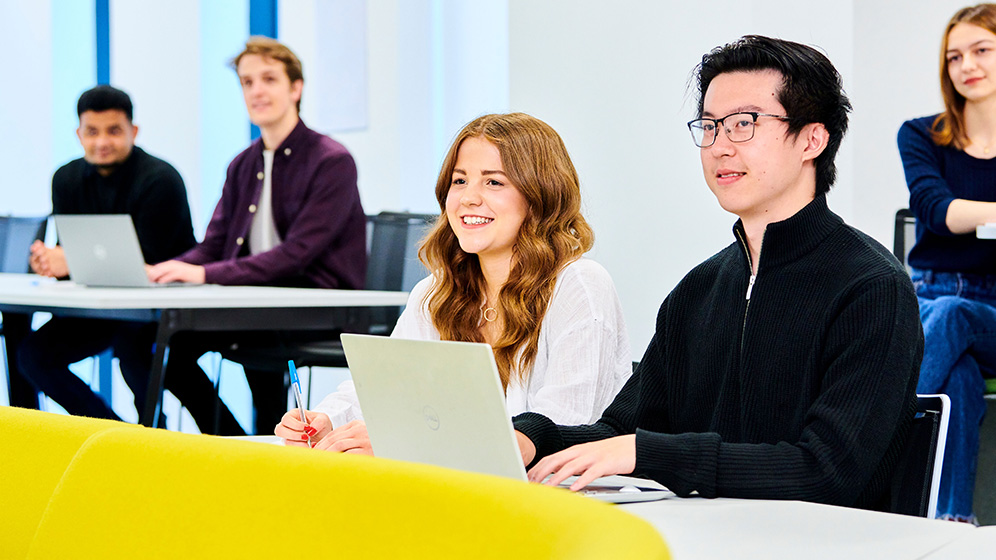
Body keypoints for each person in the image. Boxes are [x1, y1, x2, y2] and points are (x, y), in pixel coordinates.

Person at [516, 35, 923, 512]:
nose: (719, 146)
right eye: (709, 126)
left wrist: (649, 452)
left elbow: (827, 472)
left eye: (744, 124)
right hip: (702, 538)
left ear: (813, 139)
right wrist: (532, 438)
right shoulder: (698, 290)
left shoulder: (872, 288)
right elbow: (622, 432)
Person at [274, 113, 632, 453]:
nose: (467, 198)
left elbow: (560, 428)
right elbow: (386, 389)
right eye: (459, 180)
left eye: (494, 181)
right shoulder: (435, 292)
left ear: (541, 195)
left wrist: (403, 443)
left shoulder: (579, 286)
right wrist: (327, 419)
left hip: (557, 500)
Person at [146, 37, 367, 435]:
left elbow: (298, 253)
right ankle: (236, 444)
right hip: (258, 302)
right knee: (168, 350)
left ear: (295, 88)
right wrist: (173, 268)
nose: (257, 90)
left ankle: (251, 449)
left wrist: (207, 275)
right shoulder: (242, 163)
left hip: (316, 305)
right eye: (247, 82)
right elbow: (214, 245)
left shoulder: (332, 161)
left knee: (232, 350)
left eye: (268, 79)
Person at [16, 85, 196, 420]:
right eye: (92, 132)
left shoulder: (161, 179)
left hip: (158, 310)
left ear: (134, 131)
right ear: (78, 134)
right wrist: (52, 262)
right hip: (101, 309)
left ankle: (153, 439)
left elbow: (148, 261)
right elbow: (77, 253)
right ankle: (108, 431)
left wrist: (67, 260)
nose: (102, 142)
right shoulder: (66, 178)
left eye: (114, 131)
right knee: (33, 355)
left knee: (136, 353)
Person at [897, 3, 996, 524]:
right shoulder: (920, 134)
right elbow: (935, 213)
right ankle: (951, 524)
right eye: (954, 55)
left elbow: (957, 216)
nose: (966, 65)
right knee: (957, 376)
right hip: (930, 295)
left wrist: (971, 216)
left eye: (982, 50)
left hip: (989, 313)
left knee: (955, 314)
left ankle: (878, 437)